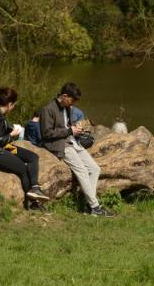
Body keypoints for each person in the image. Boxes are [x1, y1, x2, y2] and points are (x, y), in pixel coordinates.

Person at [40, 82, 114, 217]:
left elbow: (67, 128)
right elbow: (46, 133)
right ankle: (95, 207)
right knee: (82, 171)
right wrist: (69, 131)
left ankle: (88, 205)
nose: (73, 103)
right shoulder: (48, 109)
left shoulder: (67, 107)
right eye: (72, 100)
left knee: (95, 169)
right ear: (64, 96)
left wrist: (77, 130)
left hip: (72, 141)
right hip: (58, 144)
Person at [0, 87, 49, 210]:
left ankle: (35, 188)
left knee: (33, 157)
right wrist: (12, 134)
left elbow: (0, 131)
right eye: (14, 105)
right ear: (9, 104)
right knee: (23, 168)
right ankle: (33, 204)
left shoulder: (0, 113)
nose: (14, 107)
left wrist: (14, 130)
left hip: (3, 147)